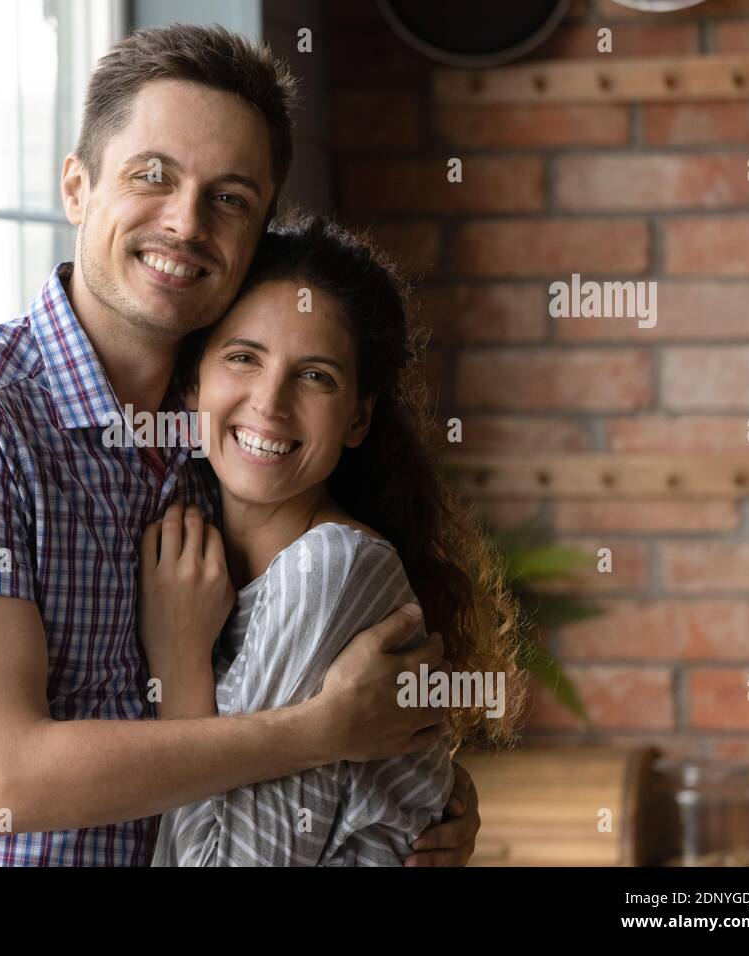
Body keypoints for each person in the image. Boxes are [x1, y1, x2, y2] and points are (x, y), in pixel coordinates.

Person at [0, 23, 482, 866]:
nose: (186, 223)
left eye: (229, 198)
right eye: (154, 175)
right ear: (77, 187)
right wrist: (324, 732)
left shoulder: (219, 442)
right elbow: (7, 783)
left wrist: (421, 798)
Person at [146, 213, 526, 866]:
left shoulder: (328, 571)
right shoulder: (185, 537)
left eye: (315, 375)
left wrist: (178, 664)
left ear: (357, 418)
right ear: (190, 385)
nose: (269, 402)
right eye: (243, 356)